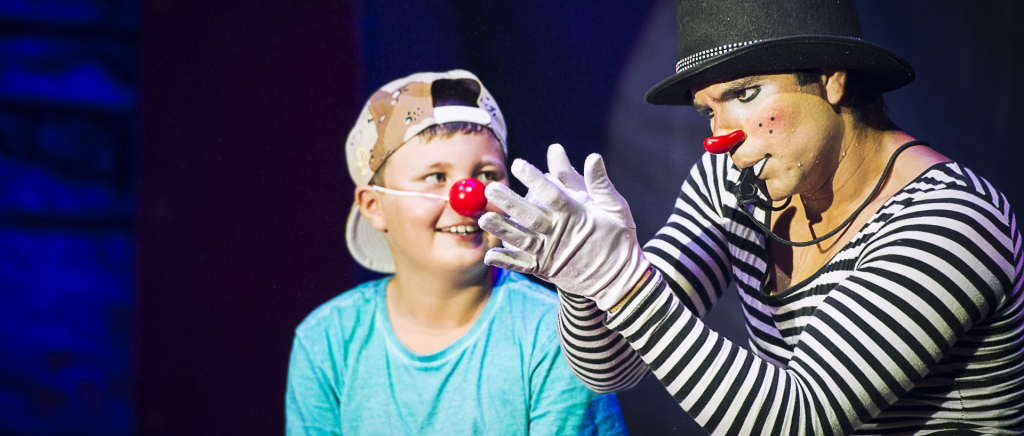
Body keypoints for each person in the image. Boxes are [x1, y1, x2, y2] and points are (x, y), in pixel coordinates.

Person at [478, 1, 1024, 435]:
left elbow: (800, 419)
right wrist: (582, 279)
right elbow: (612, 366)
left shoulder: (951, 220)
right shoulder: (733, 183)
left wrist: (619, 283)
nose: (721, 136)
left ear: (831, 79)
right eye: (709, 111)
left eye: (745, 94)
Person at [284, 70, 627, 435]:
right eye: (436, 177)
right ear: (374, 206)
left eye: (486, 175)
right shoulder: (327, 341)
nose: (468, 199)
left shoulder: (556, 337)